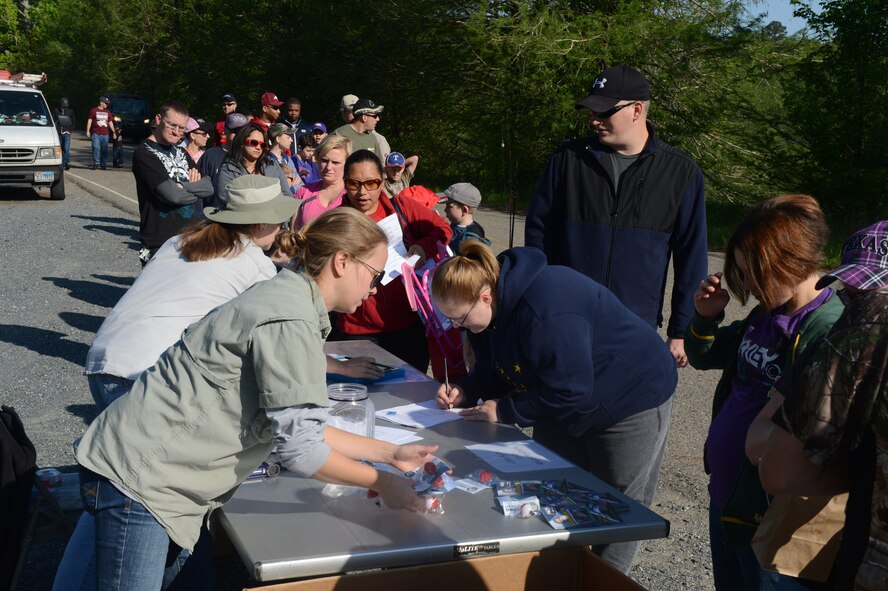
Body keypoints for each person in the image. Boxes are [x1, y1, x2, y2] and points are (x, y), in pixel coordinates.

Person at [70, 207, 438, 590]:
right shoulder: (290, 317)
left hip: (169, 487)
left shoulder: (292, 299)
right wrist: (385, 483)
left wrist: (390, 454)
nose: (377, 286)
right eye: (375, 273)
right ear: (342, 262)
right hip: (144, 481)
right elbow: (302, 450)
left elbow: (302, 425)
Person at [53, 175, 302, 591]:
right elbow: (268, 340)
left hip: (106, 361)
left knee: (117, 486)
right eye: (278, 220)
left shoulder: (185, 240)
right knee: (156, 495)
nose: (282, 228)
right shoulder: (255, 268)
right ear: (262, 225)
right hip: (149, 374)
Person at [431, 240, 677, 574]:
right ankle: (556, 572)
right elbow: (492, 369)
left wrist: (504, 412)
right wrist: (465, 389)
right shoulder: (481, 315)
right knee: (550, 488)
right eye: (450, 320)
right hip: (561, 394)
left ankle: (601, 579)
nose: (458, 328)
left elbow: (571, 388)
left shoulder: (547, 307)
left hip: (631, 394)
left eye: (460, 319)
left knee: (616, 507)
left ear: (486, 295)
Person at [685, 195, 844, 591]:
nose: (750, 286)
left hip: (771, 514)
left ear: (791, 260)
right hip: (726, 498)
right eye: (742, 273)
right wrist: (707, 318)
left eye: (755, 273)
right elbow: (704, 357)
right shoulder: (766, 314)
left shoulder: (825, 328)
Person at [525, 65, 708, 369]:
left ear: (637, 110)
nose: (594, 119)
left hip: (633, 329)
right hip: (565, 321)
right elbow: (537, 240)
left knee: (626, 414)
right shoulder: (566, 160)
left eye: (604, 111)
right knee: (560, 410)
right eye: (591, 110)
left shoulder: (681, 173)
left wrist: (681, 331)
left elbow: (691, 259)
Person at [754, 220, 888, 591]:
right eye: (850, 293)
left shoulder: (858, 332)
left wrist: (865, 480)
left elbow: (778, 469)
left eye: (867, 293)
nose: (855, 305)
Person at [334, 149, 451, 372]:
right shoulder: (336, 221)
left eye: (371, 183)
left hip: (406, 328)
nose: (362, 192)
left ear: (382, 181)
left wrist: (423, 249)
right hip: (355, 330)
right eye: (353, 184)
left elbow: (442, 229)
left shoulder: (402, 207)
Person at [133, 100, 214, 266]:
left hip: (190, 235)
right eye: (172, 125)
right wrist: (192, 190)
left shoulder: (181, 152)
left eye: (182, 128)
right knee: (156, 290)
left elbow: (209, 187)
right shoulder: (144, 153)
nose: (177, 132)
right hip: (159, 239)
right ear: (158, 119)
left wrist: (183, 186)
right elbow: (172, 196)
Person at [214, 122, 289, 203]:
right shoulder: (228, 171)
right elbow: (226, 200)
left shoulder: (273, 166)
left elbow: (287, 195)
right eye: (254, 142)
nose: (258, 147)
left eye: (262, 145)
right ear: (241, 143)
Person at [292, 134, 350, 227]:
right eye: (324, 160)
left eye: (335, 162)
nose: (328, 167)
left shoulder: (353, 195)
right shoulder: (303, 192)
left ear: (347, 163)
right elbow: (293, 233)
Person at [199, 112, 248, 188]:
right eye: (235, 131)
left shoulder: (250, 155)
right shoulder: (210, 155)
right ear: (225, 131)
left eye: (243, 131)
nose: (240, 134)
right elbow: (201, 186)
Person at [438, 182, 489, 253]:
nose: (445, 210)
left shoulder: (471, 238)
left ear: (464, 210)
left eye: (449, 206)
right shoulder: (455, 225)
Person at [85, 95, 116, 170]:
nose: (107, 104)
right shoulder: (93, 110)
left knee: (104, 150)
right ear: (101, 102)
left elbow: (110, 122)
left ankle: (103, 164)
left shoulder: (108, 112)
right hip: (96, 133)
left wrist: (114, 132)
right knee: (96, 147)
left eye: (107, 103)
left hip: (105, 134)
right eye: (105, 103)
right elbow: (90, 120)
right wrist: (88, 130)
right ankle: (96, 163)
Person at [55, 97, 75, 170]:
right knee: (59, 148)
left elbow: (73, 121)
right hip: (58, 132)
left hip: (67, 132)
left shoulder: (70, 111)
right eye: (64, 103)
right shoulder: (56, 111)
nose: (65, 105)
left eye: (66, 103)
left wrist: (70, 129)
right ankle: (61, 163)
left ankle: (67, 162)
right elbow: (54, 120)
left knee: (66, 148)